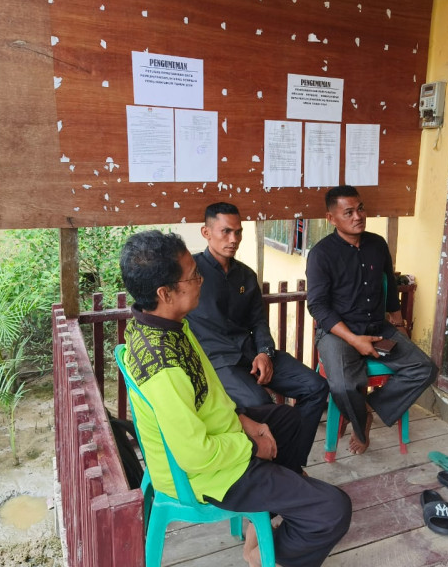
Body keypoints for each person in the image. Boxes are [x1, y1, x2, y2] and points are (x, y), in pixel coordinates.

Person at [119, 230, 351, 567]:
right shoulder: (163, 366)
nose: (200, 281)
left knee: (287, 419)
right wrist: (252, 446)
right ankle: (264, 555)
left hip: (218, 436)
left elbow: (211, 392)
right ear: (165, 293)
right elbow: (195, 455)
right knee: (333, 509)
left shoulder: (165, 323)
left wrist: (245, 422)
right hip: (204, 474)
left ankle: (266, 510)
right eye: (193, 276)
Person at [187, 203, 329, 470]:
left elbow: (258, 321)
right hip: (218, 361)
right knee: (260, 404)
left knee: (316, 387)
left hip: (252, 353)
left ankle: (291, 465)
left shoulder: (246, 275)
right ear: (206, 232)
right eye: (226, 231)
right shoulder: (190, 274)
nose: (234, 239)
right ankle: (270, 471)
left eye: (238, 232)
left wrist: (265, 352)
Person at [306, 185, 438, 455]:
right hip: (338, 333)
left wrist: (399, 325)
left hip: (378, 328)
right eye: (349, 212)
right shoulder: (321, 254)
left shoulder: (377, 244)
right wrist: (354, 340)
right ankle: (360, 419)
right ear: (331, 218)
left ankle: (367, 408)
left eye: (361, 209)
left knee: (425, 369)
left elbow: (390, 290)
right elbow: (317, 306)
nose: (358, 216)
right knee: (344, 385)